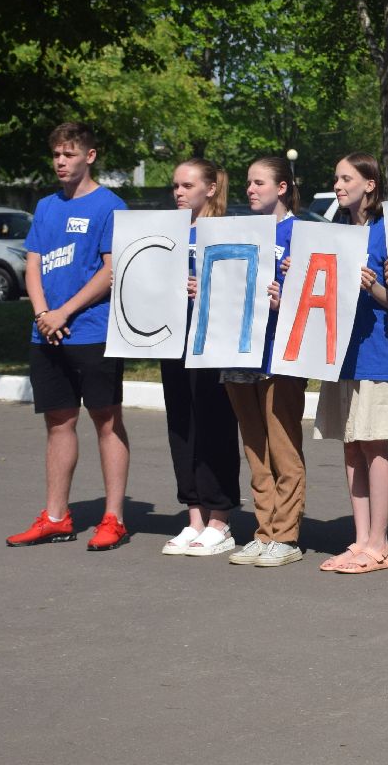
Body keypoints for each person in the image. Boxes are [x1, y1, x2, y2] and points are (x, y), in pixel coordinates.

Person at [6, 121, 131, 551]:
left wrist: (65, 311)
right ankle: (56, 516)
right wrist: (43, 313)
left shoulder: (111, 206)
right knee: (58, 423)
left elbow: (111, 271)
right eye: (56, 154)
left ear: (89, 157)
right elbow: (33, 265)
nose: (61, 162)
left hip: (93, 331)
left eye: (70, 154)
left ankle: (113, 518)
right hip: (47, 334)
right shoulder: (45, 207)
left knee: (107, 421)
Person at [315, 152, 388, 575]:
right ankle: (362, 538)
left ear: (370, 183)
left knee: (374, 443)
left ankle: (380, 544)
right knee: (351, 445)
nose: (337, 185)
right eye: (335, 178)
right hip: (340, 354)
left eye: (346, 177)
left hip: (375, 353)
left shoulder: (387, 232)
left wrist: (374, 289)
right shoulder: (335, 233)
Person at [222, 157, 308, 569]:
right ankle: (263, 531)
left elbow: (317, 295)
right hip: (238, 352)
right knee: (254, 446)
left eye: (259, 182)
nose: (250, 189)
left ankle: (287, 535)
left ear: (283, 187)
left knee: (282, 444)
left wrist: (286, 296)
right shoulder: (237, 232)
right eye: (248, 182)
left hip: (281, 354)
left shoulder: (301, 233)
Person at [159, 159, 242, 557]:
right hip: (170, 339)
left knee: (214, 425)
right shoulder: (165, 234)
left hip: (211, 341)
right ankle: (194, 516)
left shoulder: (225, 231)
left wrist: (206, 287)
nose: (178, 192)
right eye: (175, 185)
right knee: (181, 425)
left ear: (209, 189)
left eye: (186, 185)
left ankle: (220, 519)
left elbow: (242, 287)